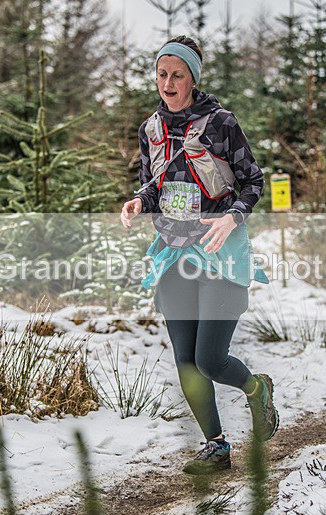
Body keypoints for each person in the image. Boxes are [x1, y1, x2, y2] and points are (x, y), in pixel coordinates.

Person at [119, 35, 278, 475]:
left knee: (210, 358)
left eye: (178, 75)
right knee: (186, 361)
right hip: (173, 255)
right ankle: (216, 446)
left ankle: (254, 388)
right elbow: (155, 183)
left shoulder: (220, 123)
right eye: (162, 73)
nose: (168, 82)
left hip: (219, 253)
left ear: (193, 79)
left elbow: (253, 182)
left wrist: (233, 217)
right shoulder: (150, 129)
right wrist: (139, 201)